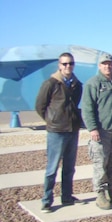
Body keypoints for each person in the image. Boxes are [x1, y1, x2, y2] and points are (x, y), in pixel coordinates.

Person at [35, 53, 83, 213]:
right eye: (65, 64)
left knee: (69, 167)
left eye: (70, 63)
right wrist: (51, 120)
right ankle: (47, 200)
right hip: (56, 131)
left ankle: (67, 196)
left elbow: (74, 105)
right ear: (59, 65)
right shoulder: (50, 84)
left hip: (72, 130)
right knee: (52, 167)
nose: (68, 66)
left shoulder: (77, 85)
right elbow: (40, 105)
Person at [82, 53, 112, 210]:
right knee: (100, 162)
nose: (107, 66)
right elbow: (87, 108)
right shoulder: (93, 84)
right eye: (104, 64)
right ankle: (100, 194)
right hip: (101, 131)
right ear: (99, 66)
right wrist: (93, 128)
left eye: (109, 63)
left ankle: (110, 190)